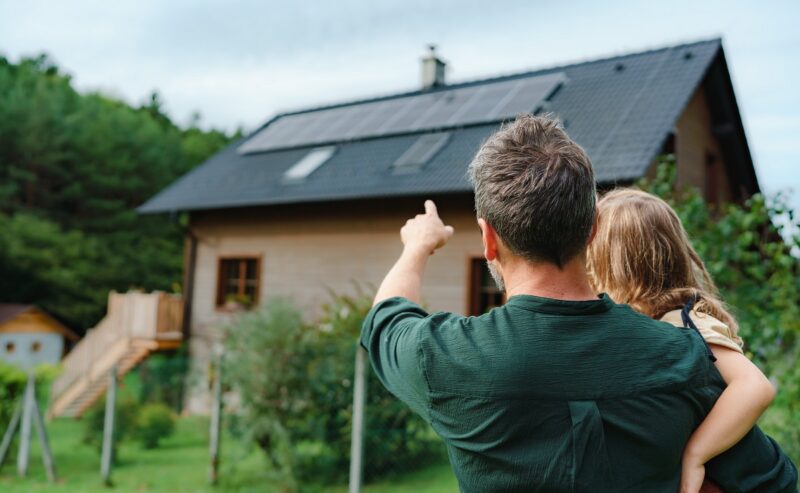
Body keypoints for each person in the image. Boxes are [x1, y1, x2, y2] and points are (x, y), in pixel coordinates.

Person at [360, 114, 797, 492]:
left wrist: (418, 246)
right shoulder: (681, 355)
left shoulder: (444, 357)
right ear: (591, 230)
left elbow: (386, 316)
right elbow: (775, 482)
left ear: (488, 238)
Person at [586, 188, 778, 493]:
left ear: (612, 265)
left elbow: (755, 387)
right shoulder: (647, 325)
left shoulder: (686, 321)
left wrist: (695, 454)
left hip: (753, 483)